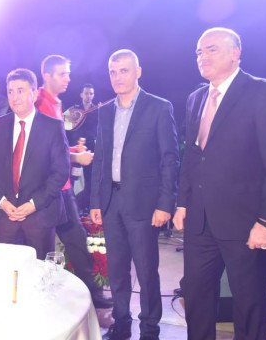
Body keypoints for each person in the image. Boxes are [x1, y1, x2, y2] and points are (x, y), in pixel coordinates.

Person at [172, 28, 266, 340]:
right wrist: (182, 203)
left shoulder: (263, 92)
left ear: (235, 53)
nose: (202, 57)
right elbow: (193, 156)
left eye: (211, 49)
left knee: (250, 305)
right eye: (199, 52)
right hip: (200, 223)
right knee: (196, 299)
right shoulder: (196, 98)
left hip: (248, 224)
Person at [90, 49, 179, 340]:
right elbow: (100, 159)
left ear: (138, 71)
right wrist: (95, 201)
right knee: (116, 270)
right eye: (113, 72)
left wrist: (165, 203)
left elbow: (170, 159)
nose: (117, 77)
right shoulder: (105, 111)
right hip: (111, 202)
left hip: (144, 204)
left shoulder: (158, 107)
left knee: (146, 271)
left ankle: (150, 329)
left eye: (124, 70)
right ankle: (121, 323)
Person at [36, 55, 112, 309]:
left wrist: (71, 150)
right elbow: (40, 151)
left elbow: (56, 146)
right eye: (62, 74)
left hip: (63, 185)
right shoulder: (39, 103)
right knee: (45, 245)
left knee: (76, 240)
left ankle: (91, 293)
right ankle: (44, 298)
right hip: (47, 188)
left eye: (68, 73)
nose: (68, 78)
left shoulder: (56, 103)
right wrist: (76, 157)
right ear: (46, 75)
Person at [0, 68, 69, 259]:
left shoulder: (53, 127)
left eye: (20, 91)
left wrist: (33, 204)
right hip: (6, 215)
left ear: (34, 93)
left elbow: (60, 172)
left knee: (39, 271)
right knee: (7, 269)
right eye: (10, 91)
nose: (14, 97)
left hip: (40, 215)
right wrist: (2, 201)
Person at [66, 83, 99, 211]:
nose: (88, 96)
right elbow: (65, 126)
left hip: (90, 149)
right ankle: (74, 208)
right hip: (76, 149)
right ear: (81, 95)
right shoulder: (74, 110)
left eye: (91, 93)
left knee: (90, 179)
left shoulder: (97, 110)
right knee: (74, 179)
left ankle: (88, 207)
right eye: (86, 93)